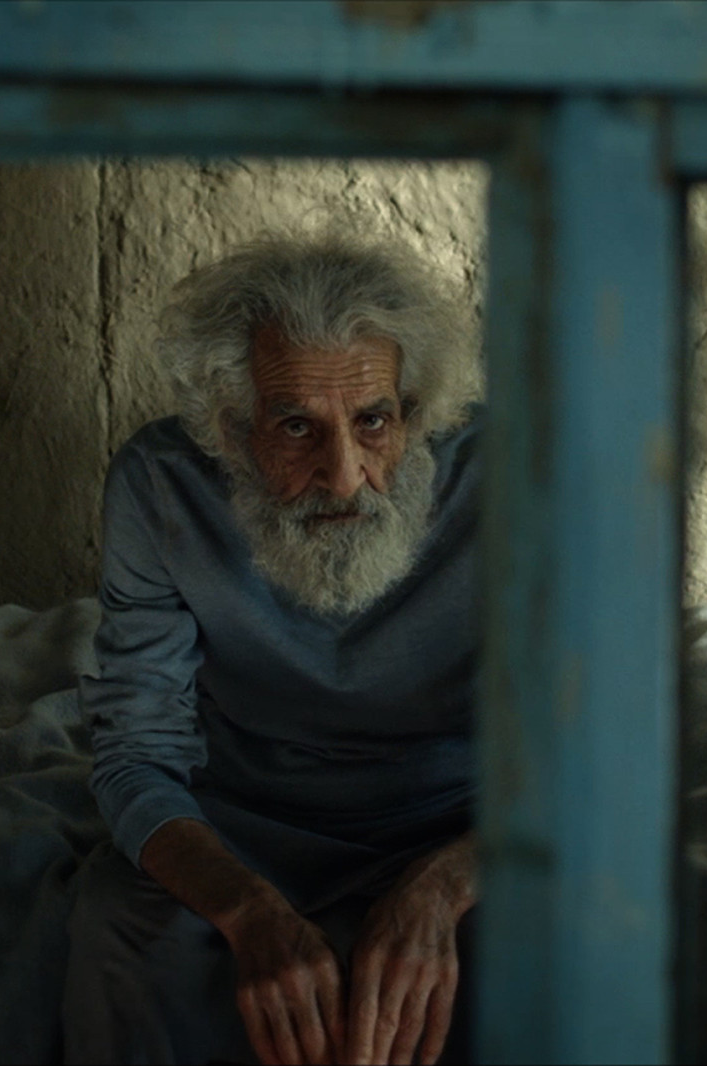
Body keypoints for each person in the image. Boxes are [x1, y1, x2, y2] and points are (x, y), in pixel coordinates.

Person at [65, 231, 484, 1066]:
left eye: (373, 421)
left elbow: (596, 755)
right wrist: (247, 910)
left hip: (462, 820)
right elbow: (136, 753)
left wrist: (444, 888)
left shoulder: (519, 476)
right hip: (244, 823)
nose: (344, 474)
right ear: (230, 429)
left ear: (414, 414)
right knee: (123, 933)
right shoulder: (159, 487)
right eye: (296, 426)